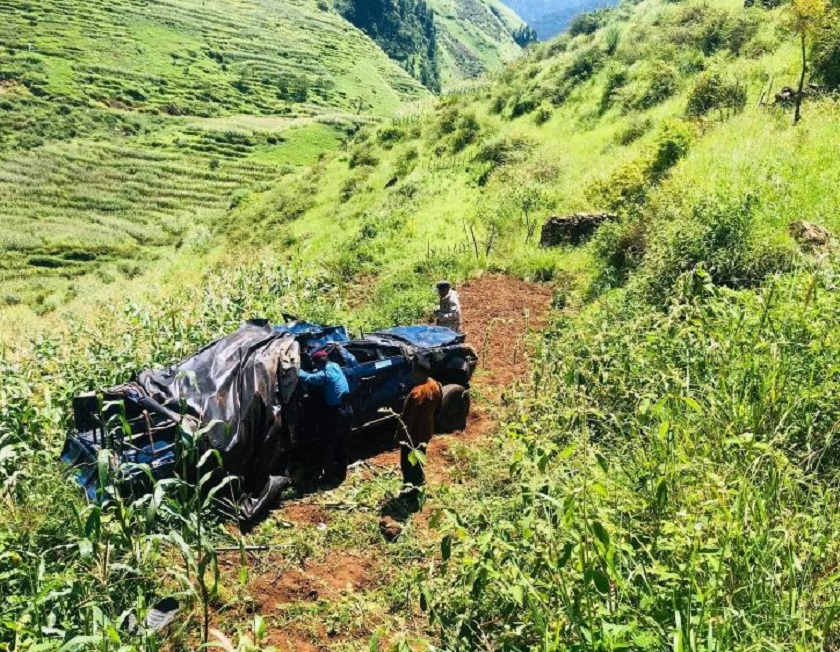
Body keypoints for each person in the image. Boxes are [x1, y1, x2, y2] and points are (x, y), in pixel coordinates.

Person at [298, 348, 352, 486]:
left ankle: (328, 477)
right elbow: (321, 373)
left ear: (318, 363)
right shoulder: (335, 366)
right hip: (348, 409)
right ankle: (341, 474)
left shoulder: (324, 374)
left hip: (336, 412)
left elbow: (311, 378)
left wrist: (297, 371)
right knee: (343, 442)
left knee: (330, 443)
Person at [398, 356, 442, 504]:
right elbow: (438, 408)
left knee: (408, 464)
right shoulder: (436, 385)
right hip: (426, 432)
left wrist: (401, 437)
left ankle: (410, 491)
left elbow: (407, 420)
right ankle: (419, 486)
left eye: (415, 371)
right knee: (419, 461)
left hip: (412, 436)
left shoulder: (416, 393)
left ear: (419, 372)